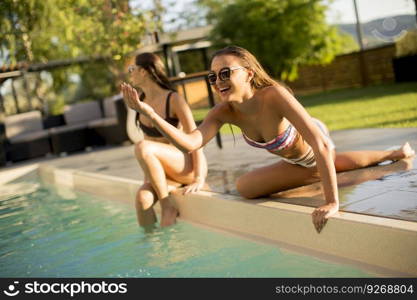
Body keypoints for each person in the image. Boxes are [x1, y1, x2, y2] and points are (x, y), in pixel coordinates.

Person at [122, 46, 415, 233]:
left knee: (327, 159)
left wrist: (332, 202)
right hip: (295, 159)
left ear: (248, 73)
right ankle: (381, 155)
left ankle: (390, 152)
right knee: (244, 187)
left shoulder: (273, 95)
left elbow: (321, 145)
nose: (218, 81)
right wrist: (148, 111)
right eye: (213, 77)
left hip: (315, 140)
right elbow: (190, 143)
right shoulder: (223, 112)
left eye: (225, 73)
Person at [123, 52, 207, 228]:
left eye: (132, 69)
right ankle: (154, 248)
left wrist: (199, 177)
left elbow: (195, 139)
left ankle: (167, 206)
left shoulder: (173, 99)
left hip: (185, 167)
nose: (130, 73)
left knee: (142, 146)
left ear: (144, 71)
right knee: (142, 198)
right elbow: (149, 149)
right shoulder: (141, 103)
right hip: (164, 174)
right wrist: (148, 181)